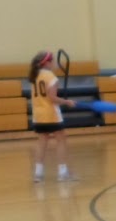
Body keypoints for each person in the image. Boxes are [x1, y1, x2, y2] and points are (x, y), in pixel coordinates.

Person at [27, 51, 78, 183]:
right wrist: (67, 102)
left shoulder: (34, 75)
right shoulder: (51, 77)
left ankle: (38, 174)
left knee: (42, 142)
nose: (55, 63)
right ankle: (62, 173)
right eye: (53, 61)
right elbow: (52, 98)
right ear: (47, 63)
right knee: (61, 140)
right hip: (51, 113)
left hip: (38, 115)